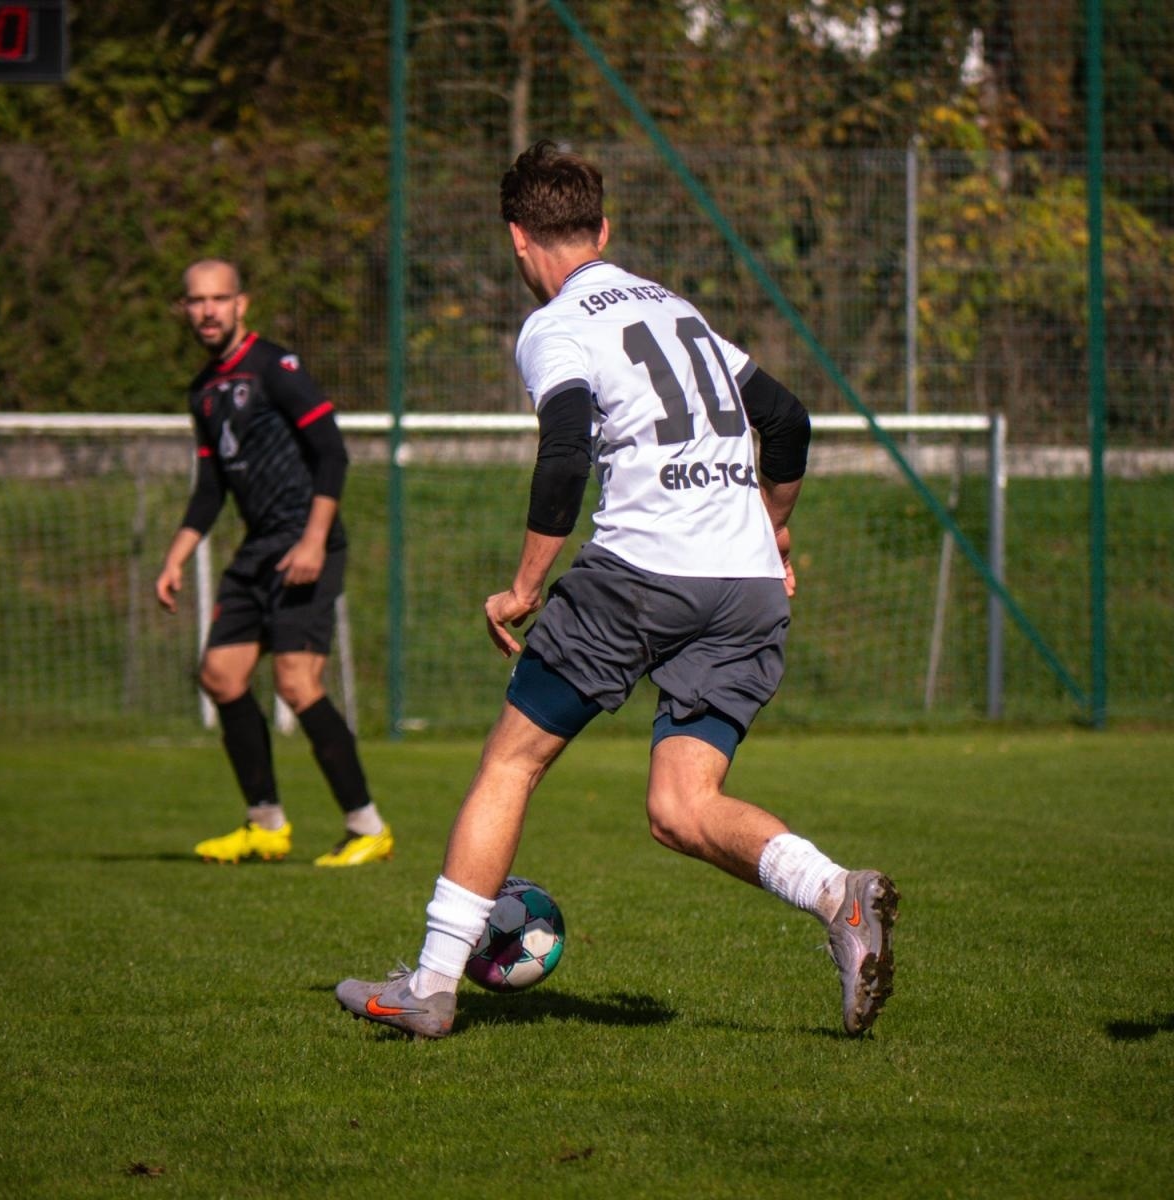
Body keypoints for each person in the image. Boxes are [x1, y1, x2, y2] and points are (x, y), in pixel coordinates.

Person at [336, 141, 898, 1039]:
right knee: (681, 809)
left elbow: (562, 453)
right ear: (603, 229)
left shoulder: (556, 325)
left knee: (510, 763)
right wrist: (774, 526)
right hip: (747, 585)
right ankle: (839, 896)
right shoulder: (677, 309)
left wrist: (524, 586)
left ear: (518, 240)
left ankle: (433, 987)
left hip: (642, 575)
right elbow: (786, 419)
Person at [155, 258, 393, 869]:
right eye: (196, 301)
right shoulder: (203, 390)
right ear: (184, 310)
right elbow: (210, 489)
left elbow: (332, 455)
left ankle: (366, 826)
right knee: (221, 676)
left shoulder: (275, 367)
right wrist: (176, 558)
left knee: (295, 683)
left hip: (304, 540)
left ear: (242, 304)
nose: (207, 310)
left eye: (219, 298)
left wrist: (314, 540)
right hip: (258, 547)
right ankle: (265, 824)